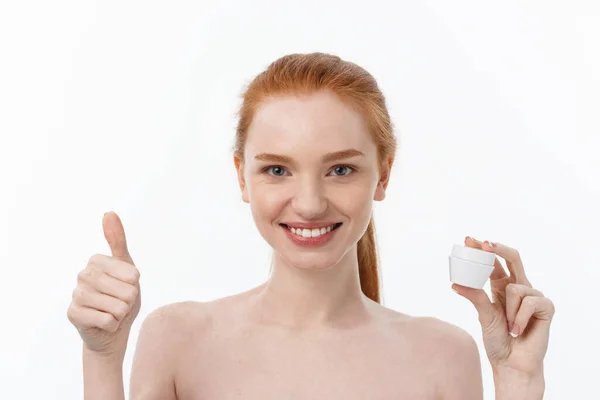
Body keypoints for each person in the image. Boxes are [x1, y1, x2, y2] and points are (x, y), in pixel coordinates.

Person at [67, 52, 555, 399]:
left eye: (340, 169)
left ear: (382, 174)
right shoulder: (175, 339)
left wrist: (517, 384)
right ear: (242, 176)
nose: (309, 202)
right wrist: (103, 356)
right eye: (277, 169)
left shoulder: (445, 355)